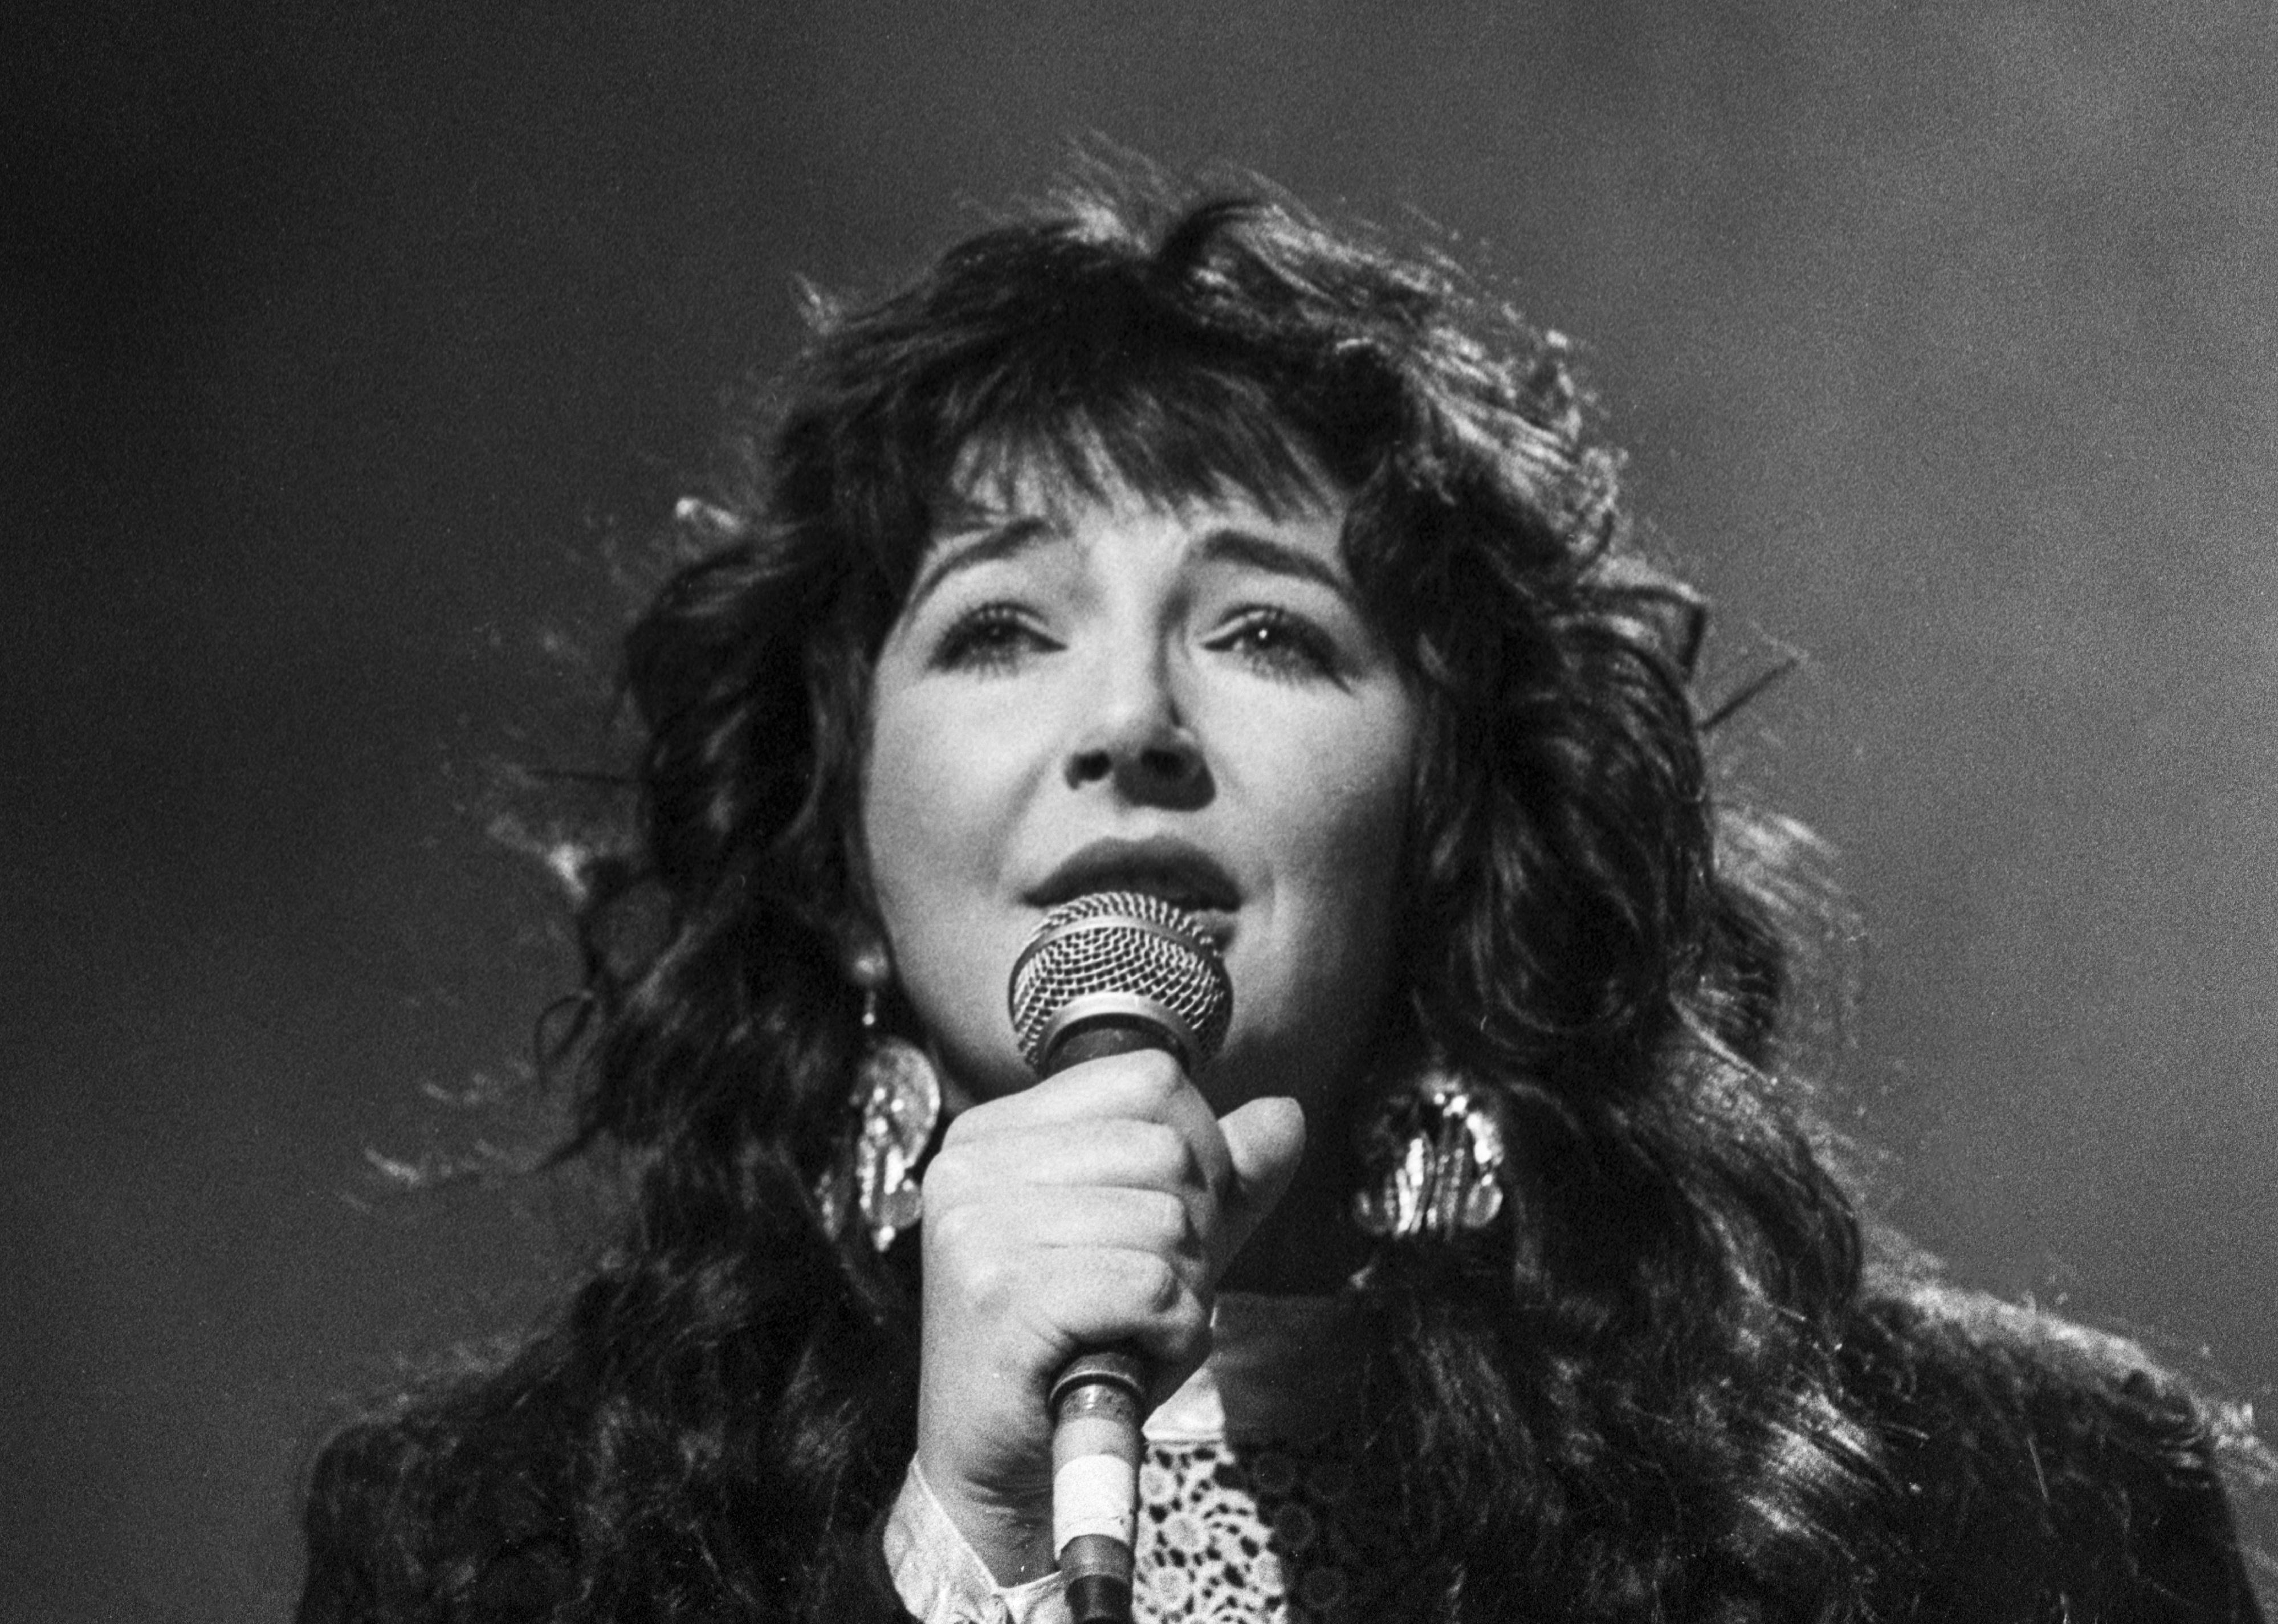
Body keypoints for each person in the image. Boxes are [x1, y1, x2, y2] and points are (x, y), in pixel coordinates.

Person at [298, 172, 2268, 1623]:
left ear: (1449, 820)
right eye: (1000, 629)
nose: (1131, 718)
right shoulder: (500, 1546)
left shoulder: (2013, 1516)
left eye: (1263, 627)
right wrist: (966, 1544)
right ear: (843, 872)